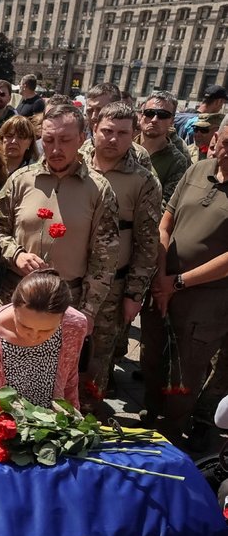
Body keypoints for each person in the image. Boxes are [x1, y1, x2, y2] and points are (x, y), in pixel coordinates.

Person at [0, 103, 119, 334]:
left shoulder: (99, 190)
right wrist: (16, 255)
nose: (55, 149)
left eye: (65, 140)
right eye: (49, 140)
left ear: (82, 139)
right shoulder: (20, 180)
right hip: (15, 296)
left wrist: (88, 311)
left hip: (67, 302)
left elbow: (105, 257)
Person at [140, 121, 228, 442]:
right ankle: (149, 416)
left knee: (186, 368)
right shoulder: (197, 170)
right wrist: (162, 277)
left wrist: (177, 282)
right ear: (215, 139)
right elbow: (166, 222)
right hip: (163, 283)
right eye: (226, 143)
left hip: (205, 299)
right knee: (152, 355)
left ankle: (172, 435)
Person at [77, 101, 161, 402]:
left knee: (99, 356)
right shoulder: (74, 163)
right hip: (70, 278)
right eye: (107, 131)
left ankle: (90, 410)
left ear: (134, 134)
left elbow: (148, 242)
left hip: (113, 286)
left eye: (123, 133)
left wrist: (134, 294)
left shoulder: (144, 181)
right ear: (94, 129)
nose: (113, 139)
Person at [0, 270, 86, 415]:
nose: (34, 336)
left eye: (46, 330)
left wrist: (71, 419)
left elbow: (69, 381)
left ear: (63, 317)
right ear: (14, 307)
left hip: (47, 420)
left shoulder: (74, 325)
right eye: (25, 326)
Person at [136, 91, 191, 207]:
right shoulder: (125, 147)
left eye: (163, 115)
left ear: (172, 121)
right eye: (149, 113)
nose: (154, 119)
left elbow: (167, 206)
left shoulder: (177, 162)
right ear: (141, 115)